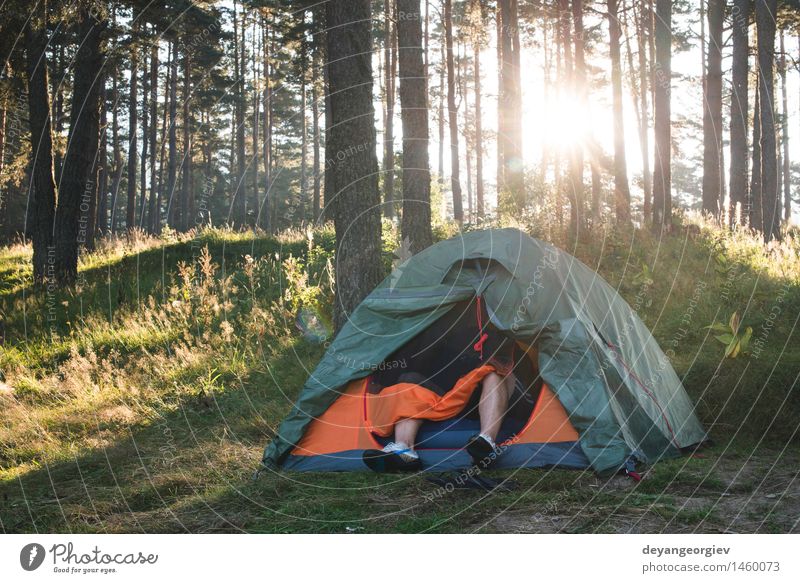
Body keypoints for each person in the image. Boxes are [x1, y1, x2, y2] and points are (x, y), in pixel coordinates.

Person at [362, 298, 518, 472]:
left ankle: (486, 443)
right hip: (459, 394)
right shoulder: (450, 339)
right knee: (411, 379)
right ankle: (404, 450)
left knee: (494, 372)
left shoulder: (508, 340)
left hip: (493, 397)